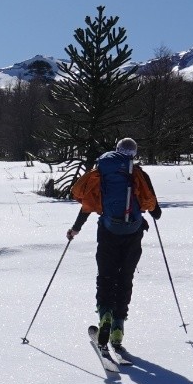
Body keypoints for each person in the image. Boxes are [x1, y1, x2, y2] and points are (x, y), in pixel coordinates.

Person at [66, 137, 161, 348]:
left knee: (106, 277)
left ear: (117, 151)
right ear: (134, 154)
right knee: (125, 278)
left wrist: (76, 229)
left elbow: (88, 205)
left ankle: (105, 316)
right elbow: (156, 210)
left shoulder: (101, 173)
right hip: (133, 234)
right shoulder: (139, 174)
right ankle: (118, 326)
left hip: (108, 232)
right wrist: (148, 210)